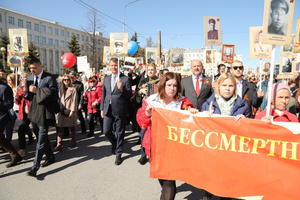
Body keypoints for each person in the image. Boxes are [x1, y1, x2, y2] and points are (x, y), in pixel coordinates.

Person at [136, 72, 198, 200]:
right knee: (163, 179)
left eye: (175, 85)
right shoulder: (151, 100)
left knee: (169, 181)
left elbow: (190, 115)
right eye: (169, 85)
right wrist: (147, 114)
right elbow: (142, 123)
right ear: (163, 85)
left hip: (174, 147)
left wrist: (191, 111)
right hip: (155, 146)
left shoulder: (182, 102)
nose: (172, 88)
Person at [25, 58, 59, 177]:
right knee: (41, 136)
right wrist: (25, 91)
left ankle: (35, 167)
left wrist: (37, 90)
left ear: (40, 66)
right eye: (30, 68)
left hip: (45, 112)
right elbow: (29, 96)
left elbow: (54, 93)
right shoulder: (30, 79)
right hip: (34, 111)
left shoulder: (49, 78)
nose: (32, 70)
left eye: (34, 68)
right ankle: (50, 157)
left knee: (41, 139)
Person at [100, 58, 132, 165]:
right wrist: (102, 109)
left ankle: (118, 153)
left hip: (120, 109)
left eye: (115, 65)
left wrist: (122, 89)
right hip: (107, 109)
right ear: (109, 66)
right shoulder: (107, 78)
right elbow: (103, 94)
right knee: (106, 131)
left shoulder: (125, 79)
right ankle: (114, 143)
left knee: (119, 132)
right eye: (112, 65)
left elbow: (129, 96)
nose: (114, 67)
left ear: (119, 66)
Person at [135, 64, 160, 165]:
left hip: (156, 110)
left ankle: (153, 154)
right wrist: (140, 91)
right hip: (144, 110)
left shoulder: (159, 81)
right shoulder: (143, 81)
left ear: (155, 70)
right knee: (143, 133)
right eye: (148, 70)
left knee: (153, 134)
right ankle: (143, 155)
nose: (150, 71)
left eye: (152, 70)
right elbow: (136, 93)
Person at [0, 77, 22, 168]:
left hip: (2, 116)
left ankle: (15, 155)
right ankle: (15, 155)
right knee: (1, 138)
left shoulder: (4, 88)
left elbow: (9, 104)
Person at [55, 74, 78, 151]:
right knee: (60, 128)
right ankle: (59, 144)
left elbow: (74, 101)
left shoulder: (73, 89)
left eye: (68, 79)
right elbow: (57, 99)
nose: (66, 81)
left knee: (72, 127)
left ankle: (73, 141)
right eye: (64, 80)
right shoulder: (60, 89)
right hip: (61, 110)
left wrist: (72, 110)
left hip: (69, 109)